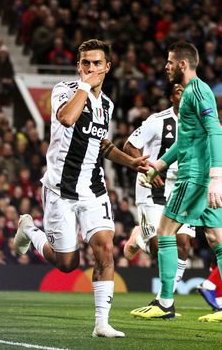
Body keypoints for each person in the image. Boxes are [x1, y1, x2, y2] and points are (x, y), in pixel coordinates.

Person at [13, 39, 149, 337]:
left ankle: (101, 323)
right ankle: (29, 230)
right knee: (67, 264)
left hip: (93, 189)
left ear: (107, 67)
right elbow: (67, 118)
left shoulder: (108, 105)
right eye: (85, 63)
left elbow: (101, 144)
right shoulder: (65, 90)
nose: (90, 68)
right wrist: (85, 87)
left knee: (104, 249)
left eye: (97, 63)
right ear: (79, 66)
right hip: (60, 190)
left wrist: (131, 162)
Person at [138, 41, 222, 321]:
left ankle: (164, 302)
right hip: (200, 174)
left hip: (196, 176)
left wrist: (215, 177)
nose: (166, 66)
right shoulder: (190, 95)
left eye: (170, 62)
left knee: (164, 232)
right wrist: (159, 165)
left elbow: (215, 132)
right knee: (216, 238)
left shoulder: (198, 92)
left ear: (183, 65)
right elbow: (185, 141)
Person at [123, 83, 195, 318]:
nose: (183, 94)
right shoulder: (158, 121)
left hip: (182, 190)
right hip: (153, 189)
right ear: (171, 97)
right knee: (159, 247)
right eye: (178, 91)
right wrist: (146, 169)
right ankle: (141, 239)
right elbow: (130, 146)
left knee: (183, 246)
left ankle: (164, 301)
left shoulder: (199, 123)